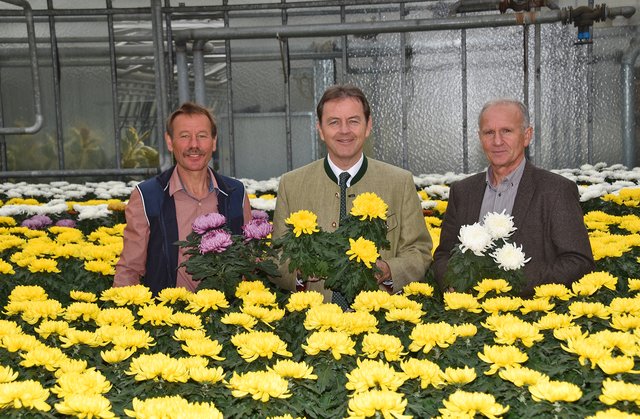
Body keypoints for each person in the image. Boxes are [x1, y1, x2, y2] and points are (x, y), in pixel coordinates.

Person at [271, 84, 433, 304]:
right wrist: (298, 272)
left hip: (381, 320)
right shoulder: (292, 185)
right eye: (334, 122)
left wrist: (389, 270)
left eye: (353, 121)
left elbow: (419, 251)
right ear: (320, 129)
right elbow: (277, 256)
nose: (344, 130)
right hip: (314, 322)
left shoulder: (399, 182)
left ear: (368, 126)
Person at [433, 98, 595, 297]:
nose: (497, 141)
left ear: (527, 136)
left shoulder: (556, 190)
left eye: (507, 131)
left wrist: (509, 286)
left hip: (532, 317)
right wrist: (453, 282)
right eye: (489, 132)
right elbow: (443, 255)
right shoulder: (462, 191)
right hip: (470, 316)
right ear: (480, 137)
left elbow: (578, 262)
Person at [113, 102, 252, 294]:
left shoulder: (236, 193)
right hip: (168, 315)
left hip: (226, 315)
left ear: (214, 141)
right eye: (184, 136)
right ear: (170, 142)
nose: (194, 145)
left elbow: (250, 261)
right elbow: (130, 268)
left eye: (202, 136)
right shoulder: (147, 196)